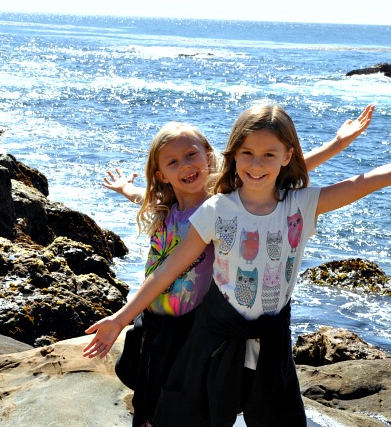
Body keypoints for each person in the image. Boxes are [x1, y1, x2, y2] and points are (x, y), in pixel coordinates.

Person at [85, 101, 391, 427]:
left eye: (269, 154)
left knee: (278, 419)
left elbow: (370, 180)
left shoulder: (301, 203)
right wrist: (120, 319)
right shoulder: (217, 208)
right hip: (213, 334)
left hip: (272, 334)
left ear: (287, 156)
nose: (257, 163)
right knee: (190, 416)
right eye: (247, 153)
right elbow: (170, 267)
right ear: (232, 155)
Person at [104, 105, 374, 427]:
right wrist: (124, 188)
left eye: (191, 156)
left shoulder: (219, 202)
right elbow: (142, 195)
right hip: (155, 320)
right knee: (148, 398)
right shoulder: (165, 205)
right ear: (162, 174)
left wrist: (338, 143)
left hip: (192, 324)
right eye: (173, 162)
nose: (186, 167)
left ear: (209, 157)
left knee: (181, 402)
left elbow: (271, 174)